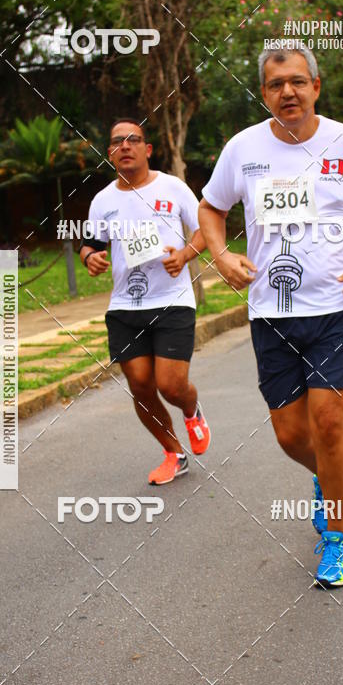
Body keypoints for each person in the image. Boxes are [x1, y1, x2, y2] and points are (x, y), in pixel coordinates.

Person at [198, 45, 343, 587]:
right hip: (272, 312)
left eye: (296, 81)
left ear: (316, 86)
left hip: (337, 309)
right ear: (264, 94)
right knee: (291, 435)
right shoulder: (243, 148)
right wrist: (220, 255)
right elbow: (211, 208)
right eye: (274, 85)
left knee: (330, 423)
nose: (286, 92)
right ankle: (325, 479)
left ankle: (338, 540)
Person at [80, 118, 211, 484]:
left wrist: (185, 255)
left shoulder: (173, 187)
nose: (125, 145)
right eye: (117, 141)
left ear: (147, 149)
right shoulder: (103, 200)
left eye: (133, 139)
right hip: (125, 306)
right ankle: (173, 453)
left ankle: (190, 409)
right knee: (139, 384)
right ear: (110, 152)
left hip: (173, 299)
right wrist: (89, 256)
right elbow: (91, 243)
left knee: (171, 385)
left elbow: (205, 230)